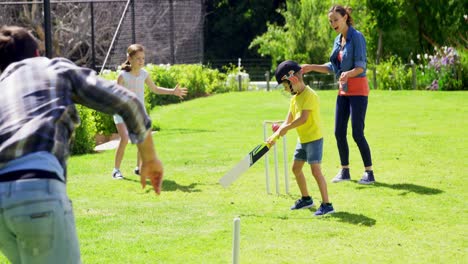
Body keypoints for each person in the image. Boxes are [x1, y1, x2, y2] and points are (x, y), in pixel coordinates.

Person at [0, 25, 164, 263]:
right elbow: (127, 102)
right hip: (35, 186)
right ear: (37, 54)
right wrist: (149, 159)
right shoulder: (54, 68)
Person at [302, 5, 375, 184]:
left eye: (336, 19)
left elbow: (361, 66)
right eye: (330, 21)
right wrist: (311, 67)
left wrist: (348, 74)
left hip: (358, 90)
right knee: (338, 132)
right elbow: (333, 67)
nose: (333, 23)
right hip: (343, 91)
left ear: (345, 17)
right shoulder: (338, 40)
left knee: (357, 132)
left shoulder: (357, 37)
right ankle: (345, 171)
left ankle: (369, 173)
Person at [268, 60, 334, 216]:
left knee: (315, 171)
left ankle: (327, 204)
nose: (285, 89)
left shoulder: (310, 95)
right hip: (302, 139)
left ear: (293, 79)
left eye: (285, 86)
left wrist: (286, 128)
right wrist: (276, 134)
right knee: (296, 169)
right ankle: (306, 199)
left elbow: (303, 119)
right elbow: (288, 120)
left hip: (314, 138)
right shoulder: (294, 99)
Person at [112, 44, 187, 180]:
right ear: (129, 58)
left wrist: (173, 92)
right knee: (124, 138)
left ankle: (139, 168)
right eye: (138, 58)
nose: (141, 61)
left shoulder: (144, 74)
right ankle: (116, 170)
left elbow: (155, 89)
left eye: (143, 58)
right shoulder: (122, 76)